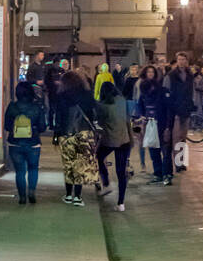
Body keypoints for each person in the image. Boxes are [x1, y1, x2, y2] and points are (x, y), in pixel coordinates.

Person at [54, 69, 99, 205]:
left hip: (66, 133)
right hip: (84, 133)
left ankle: (68, 195)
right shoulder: (86, 94)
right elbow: (93, 113)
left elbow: (59, 117)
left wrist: (57, 135)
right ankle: (78, 197)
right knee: (81, 164)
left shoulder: (61, 96)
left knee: (68, 164)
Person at [4, 81, 46, 205]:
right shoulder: (36, 107)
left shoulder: (12, 107)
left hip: (15, 144)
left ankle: (22, 197)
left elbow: (7, 126)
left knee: (20, 171)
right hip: (33, 143)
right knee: (33, 168)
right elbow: (43, 127)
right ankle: (31, 191)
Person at [94, 81, 132, 210]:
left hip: (109, 140)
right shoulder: (122, 100)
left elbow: (99, 122)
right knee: (121, 172)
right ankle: (121, 203)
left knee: (99, 157)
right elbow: (127, 118)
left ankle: (106, 183)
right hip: (125, 139)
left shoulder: (103, 106)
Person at [163, 51, 195, 178]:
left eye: (183, 59)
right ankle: (177, 164)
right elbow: (166, 93)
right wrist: (172, 109)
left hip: (185, 111)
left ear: (186, 61)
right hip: (175, 111)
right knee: (176, 138)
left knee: (183, 138)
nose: (182, 62)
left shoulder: (189, 74)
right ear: (177, 61)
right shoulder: (171, 75)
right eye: (179, 59)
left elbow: (190, 92)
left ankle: (182, 163)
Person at [136, 64, 167, 182]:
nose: (150, 74)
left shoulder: (159, 87)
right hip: (148, 120)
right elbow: (140, 103)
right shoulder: (143, 87)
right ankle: (157, 172)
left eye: (152, 72)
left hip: (158, 119)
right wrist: (141, 115)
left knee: (160, 146)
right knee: (152, 147)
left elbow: (162, 104)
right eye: (148, 72)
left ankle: (163, 171)